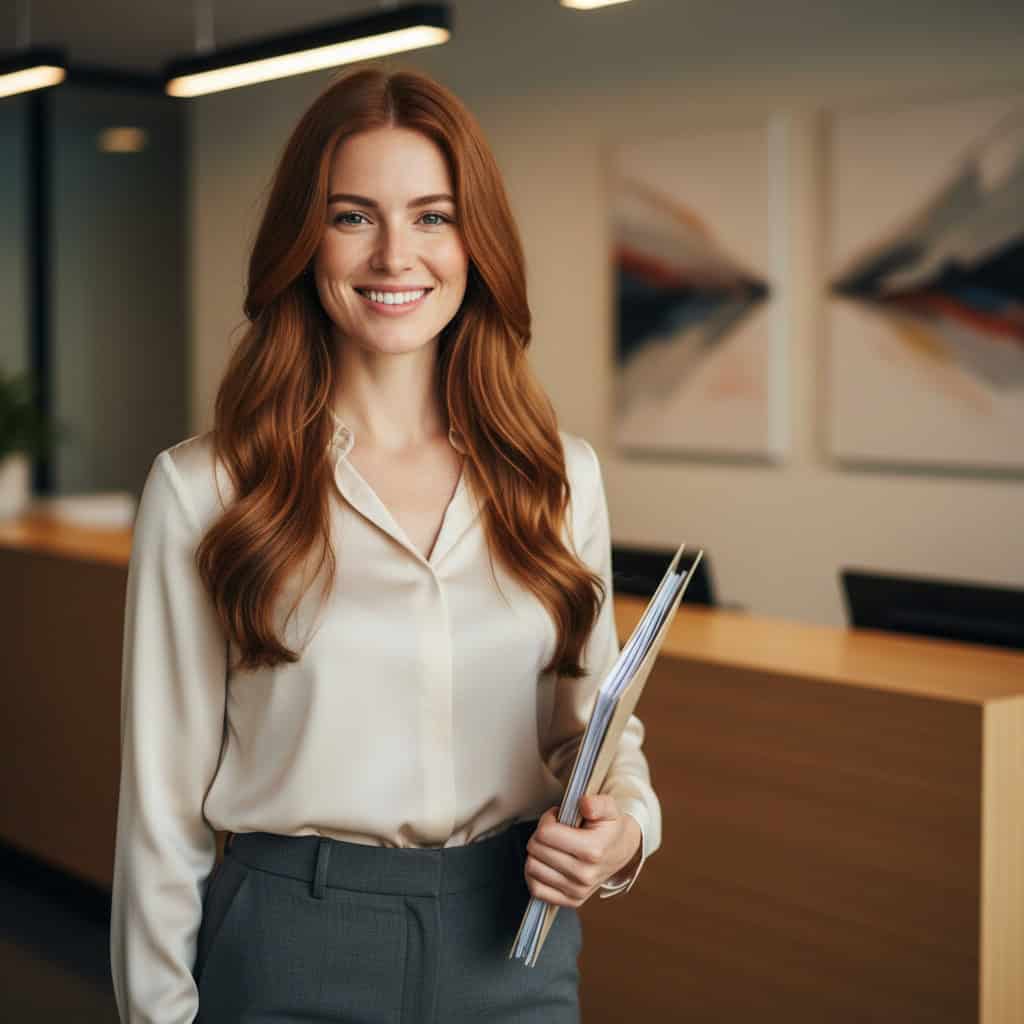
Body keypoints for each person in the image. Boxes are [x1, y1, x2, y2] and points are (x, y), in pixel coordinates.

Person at [109, 65, 661, 1024]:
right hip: (291, 947)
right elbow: (161, 813)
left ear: (473, 240)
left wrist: (627, 833)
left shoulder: (556, 477)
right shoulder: (206, 489)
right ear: (304, 239)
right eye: (354, 216)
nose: (395, 255)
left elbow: (596, 730)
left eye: (433, 217)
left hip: (513, 950)